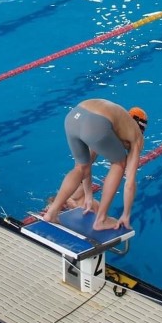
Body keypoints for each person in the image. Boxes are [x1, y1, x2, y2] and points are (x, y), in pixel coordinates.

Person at [41, 99, 146, 232]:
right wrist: (126, 214)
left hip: (73, 116)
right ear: (141, 129)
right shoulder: (137, 137)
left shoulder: (113, 123)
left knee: (80, 167)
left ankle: (52, 212)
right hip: (94, 123)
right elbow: (129, 183)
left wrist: (89, 196)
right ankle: (101, 220)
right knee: (119, 164)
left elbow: (86, 165)